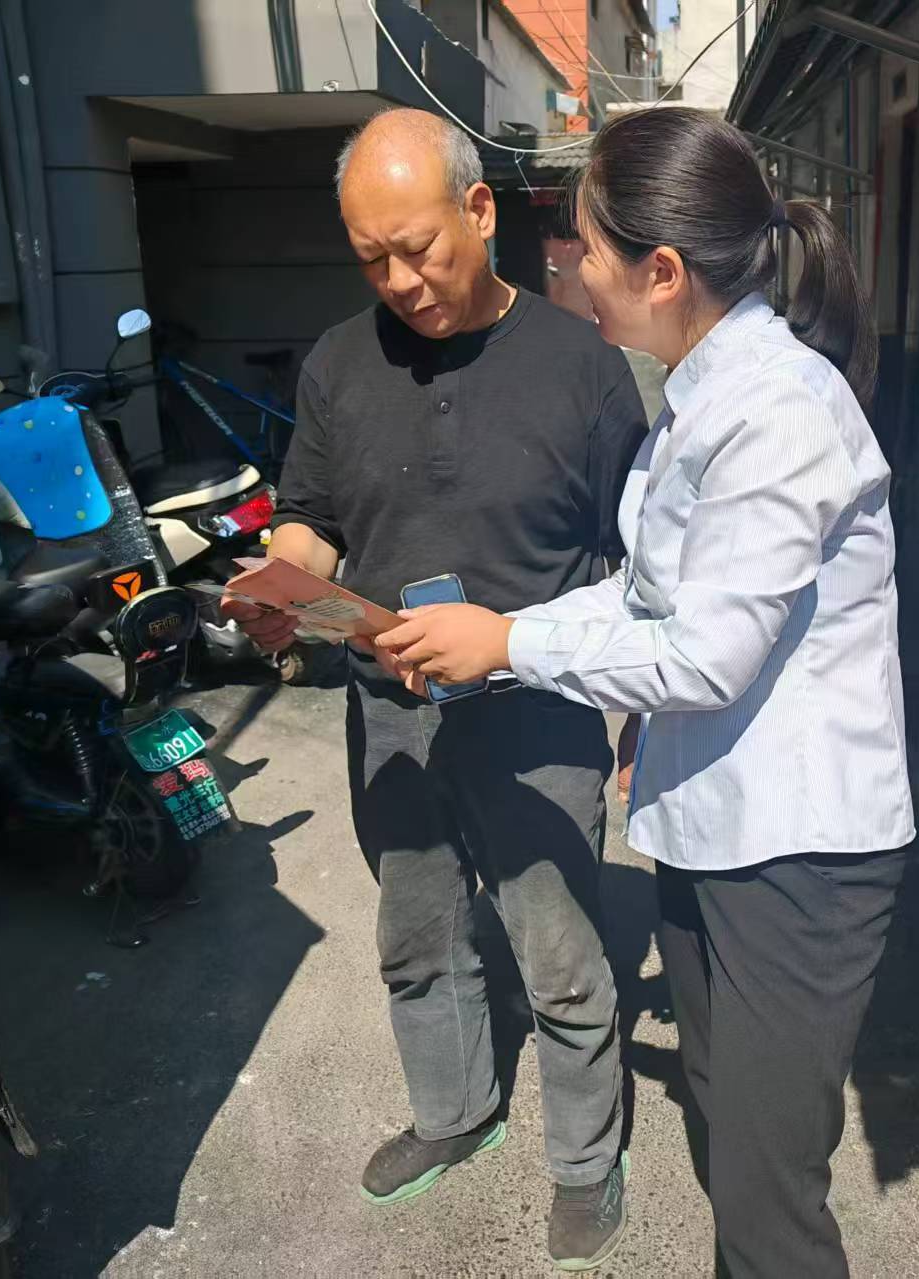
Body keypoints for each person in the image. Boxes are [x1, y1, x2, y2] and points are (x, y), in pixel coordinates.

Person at [375, 107, 915, 1279]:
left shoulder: (775, 410)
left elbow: (704, 653)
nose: (568, 266)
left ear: (660, 270)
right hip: (719, 830)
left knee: (770, 1204)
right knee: (727, 1139)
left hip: (799, 858)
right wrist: (498, 637)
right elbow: (641, 598)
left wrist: (507, 643)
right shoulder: (699, 391)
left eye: (582, 244)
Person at [221, 109, 646, 1271]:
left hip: (534, 703)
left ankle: (584, 1158)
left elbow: (642, 562)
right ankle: (454, 1109)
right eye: (372, 260)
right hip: (390, 706)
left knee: (557, 946)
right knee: (415, 928)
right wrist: (283, 583)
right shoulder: (337, 363)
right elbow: (310, 516)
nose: (401, 283)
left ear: (479, 209)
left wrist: (628, 708)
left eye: (416, 249)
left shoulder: (582, 367)